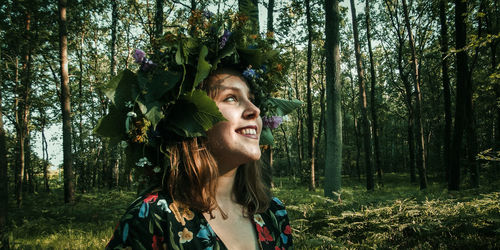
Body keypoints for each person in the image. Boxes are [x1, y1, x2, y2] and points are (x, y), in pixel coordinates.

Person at [97, 11, 297, 250]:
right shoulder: (153, 216)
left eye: (252, 99)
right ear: (189, 119)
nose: (254, 109)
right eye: (231, 98)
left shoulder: (273, 214)